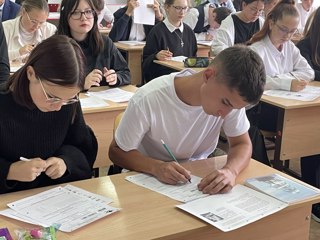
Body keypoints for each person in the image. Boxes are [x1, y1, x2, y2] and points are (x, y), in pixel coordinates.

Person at [109, 45, 266, 194]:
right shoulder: (149, 98)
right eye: (225, 103)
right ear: (208, 75)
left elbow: (242, 144)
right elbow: (117, 152)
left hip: (195, 175)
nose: (226, 114)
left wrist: (231, 171)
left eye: (234, 108)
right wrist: (156, 167)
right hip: (148, 177)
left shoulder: (231, 100)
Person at [0, 35, 98, 194]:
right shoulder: (3, 103)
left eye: (68, 99)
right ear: (31, 73)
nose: (59, 107)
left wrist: (65, 162)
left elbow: (83, 147)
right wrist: (9, 171)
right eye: (52, 97)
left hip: (54, 197)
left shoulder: (67, 101)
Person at [57, 0, 131, 90]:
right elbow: (50, 85)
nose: (84, 18)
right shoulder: (56, 46)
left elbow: (126, 73)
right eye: (76, 12)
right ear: (66, 16)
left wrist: (116, 78)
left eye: (88, 12)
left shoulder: (105, 42)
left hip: (104, 101)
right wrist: (81, 85)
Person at [249, 0, 314, 92]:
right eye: (283, 29)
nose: (287, 36)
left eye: (292, 31)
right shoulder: (256, 51)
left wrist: (280, 78)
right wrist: (286, 83)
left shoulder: (290, 47)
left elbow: (309, 72)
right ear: (271, 24)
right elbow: (254, 81)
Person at [296, 6, 320, 223]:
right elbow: (309, 74)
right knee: (311, 143)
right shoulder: (305, 45)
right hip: (307, 105)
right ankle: (313, 193)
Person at [142, 0, 197, 82]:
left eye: (185, 8)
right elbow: (145, 63)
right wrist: (156, 56)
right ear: (167, 7)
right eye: (178, 8)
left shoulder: (189, 32)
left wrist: (205, 62)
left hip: (186, 79)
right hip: (165, 81)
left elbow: (194, 59)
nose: (182, 12)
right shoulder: (157, 31)